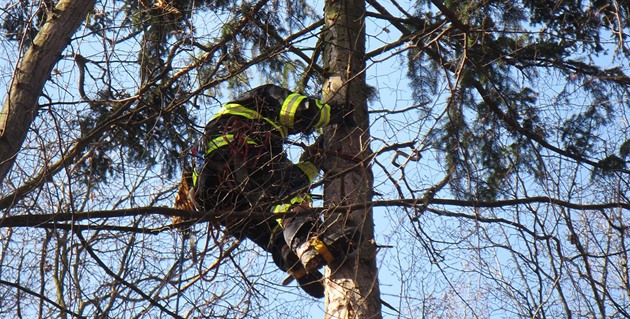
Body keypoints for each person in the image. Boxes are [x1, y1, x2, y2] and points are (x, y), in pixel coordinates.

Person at [190, 84, 356, 298]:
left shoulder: (260, 141)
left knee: (270, 228)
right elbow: (301, 110)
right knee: (285, 196)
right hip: (233, 153)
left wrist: (314, 160)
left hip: (214, 196)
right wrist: (334, 112)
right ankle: (311, 242)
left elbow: (294, 178)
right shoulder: (264, 96)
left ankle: (291, 256)